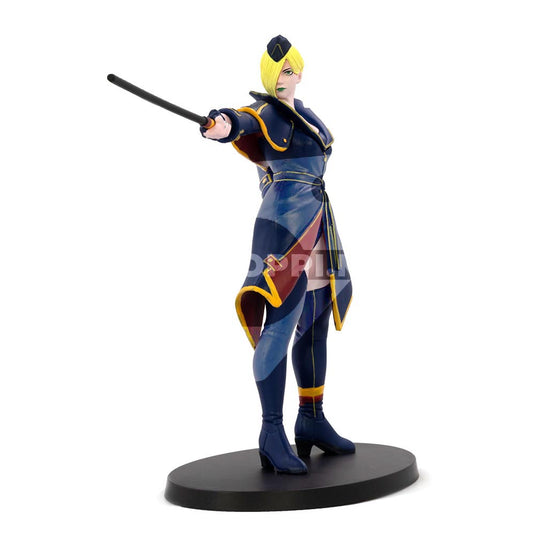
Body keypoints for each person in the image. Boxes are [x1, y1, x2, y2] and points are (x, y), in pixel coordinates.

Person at [202, 35, 354, 474]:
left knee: (315, 321)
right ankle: (272, 431)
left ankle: (311, 418)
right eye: (284, 70)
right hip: (285, 227)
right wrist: (221, 124)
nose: (292, 75)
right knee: (281, 323)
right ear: (271, 76)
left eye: (295, 68)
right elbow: (240, 122)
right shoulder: (266, 113)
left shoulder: (303, 113)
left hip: (318, 221)